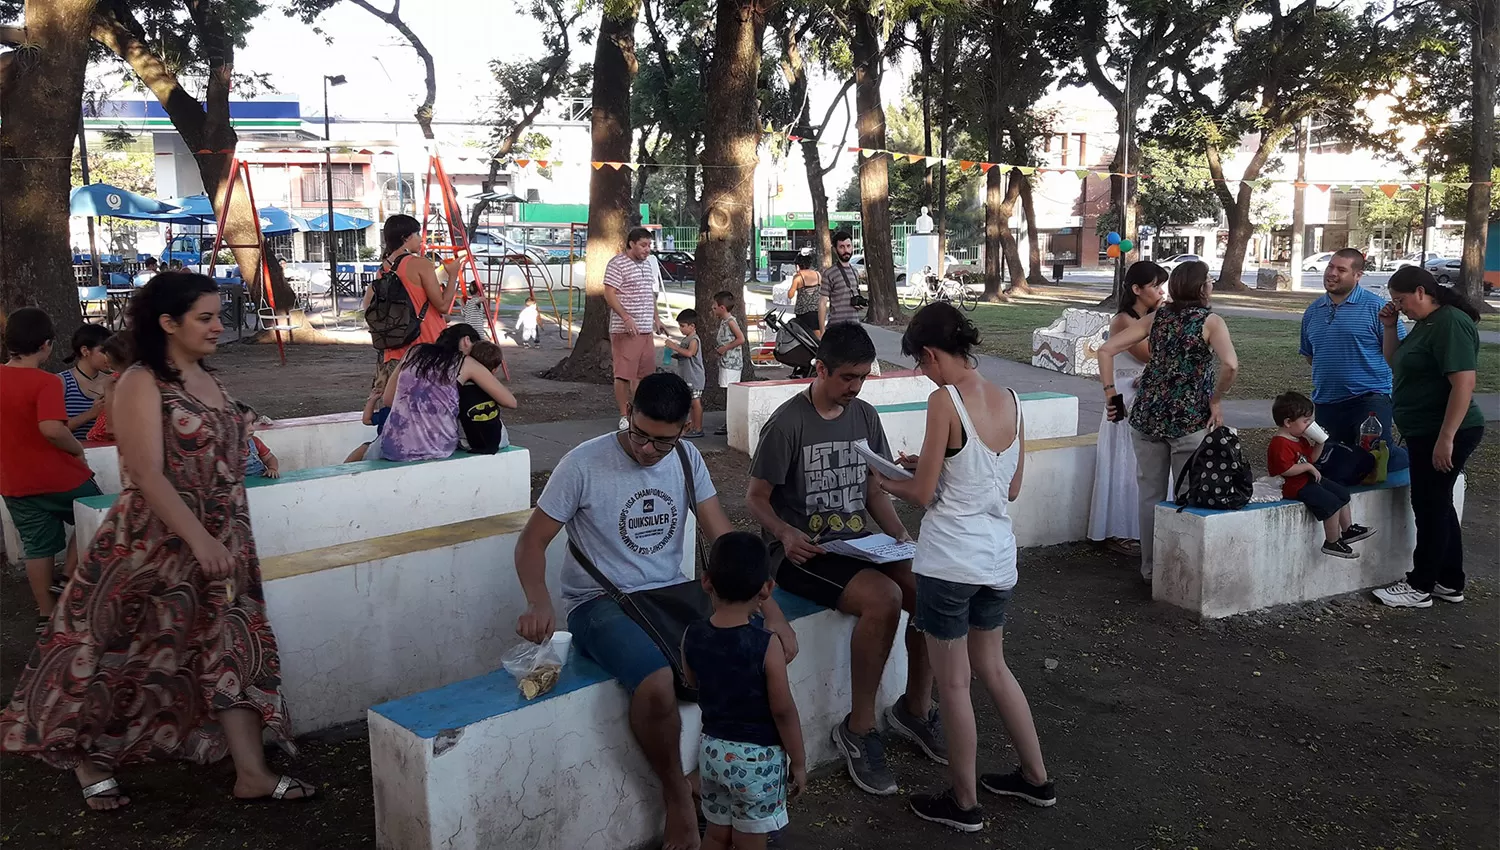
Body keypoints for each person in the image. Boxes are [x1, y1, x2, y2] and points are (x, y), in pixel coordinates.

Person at [0, 272, 315, 810]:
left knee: (234, 648)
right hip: (152, 546)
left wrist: (227, 528)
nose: (219, 326)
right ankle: (90, 761)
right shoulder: (140, 381)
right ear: (168, 322)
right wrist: (201, 541)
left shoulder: (207, 377)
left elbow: (226, 444)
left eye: (218, 315)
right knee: (121, 656)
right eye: (205, 318)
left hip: (223, 539)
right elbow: (145, 473)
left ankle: (251, 772)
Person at [514, 373, 798, 850]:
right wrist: (538, 600)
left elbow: (723, 539)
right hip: (599, 602)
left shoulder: (686, 459)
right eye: (640, 434)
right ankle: (678, 799)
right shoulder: (582, 463)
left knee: (754, 653)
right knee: (655, 682)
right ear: (628, 413)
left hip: (671, 598)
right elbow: (532, 542)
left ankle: (722, 779)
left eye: (662, 441)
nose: (647, 450)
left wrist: (773, 615)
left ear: (686, 427)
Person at [870, 303, 1054, 831]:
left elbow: (924, 493)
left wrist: (886, 481)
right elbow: (1009, 485)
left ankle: (965, 801)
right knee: (994, 669)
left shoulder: (943, 400)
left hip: (949, 561)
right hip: (997, 558)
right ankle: (1036, 777)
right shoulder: (1012, 400)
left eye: (922, 364)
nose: (925, 373)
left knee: (952, 685)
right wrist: (924, 470)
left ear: (929, 354)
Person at [747, 322, 940, 797]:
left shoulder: (866, 417)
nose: (855, 387)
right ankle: (859, 729)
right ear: (820, 369)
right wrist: (785, 533)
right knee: (885, 598)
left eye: (863, 377)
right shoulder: (788, 423)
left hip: (856, 543)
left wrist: (901, 538)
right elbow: (755, 497)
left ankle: (914, 709)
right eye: (847, 377)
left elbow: (874, 488)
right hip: (800, 552)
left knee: (928, 584)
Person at [1096, 260, 1240, 583]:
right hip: (1189, 419)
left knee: (1150, 496)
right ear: (1203, 288)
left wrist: (1110, 395)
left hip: (1146, 416)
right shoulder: (1211, 322)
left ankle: (1150, 570)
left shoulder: (1156, 317)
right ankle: (1180, 573)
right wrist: (1215, 399)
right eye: (1210, 282)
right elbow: (1230, 364)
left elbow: (1105, 350)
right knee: (1187, 494)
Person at [683, 532, 807, 850]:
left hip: (711, 753)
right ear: (767, 588)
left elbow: (693, 682)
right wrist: (799, 761)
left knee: (715, 833)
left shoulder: (692, 635)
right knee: (749, 840)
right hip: (758, 760)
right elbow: (782, 710)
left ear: (707, 582)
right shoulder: (767, 646)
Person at [1371, 267, 1486, 609]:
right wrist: (1390, 328)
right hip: (1423, 430)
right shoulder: (1426, 324)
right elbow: (1396, 362)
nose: (1399, 306)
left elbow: (1464, 384)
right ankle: (1449, 582)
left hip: (1446, 430)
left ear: (1421, 291)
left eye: (1401, 300)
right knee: (1437, 503)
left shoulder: (1450, 322)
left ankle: (1419, 585)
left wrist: (1446, 437)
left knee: (1429, 505)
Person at [0, 308, 102, 629]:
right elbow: (53, 429)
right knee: (97, 514)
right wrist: (78, 451)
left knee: (37, 545)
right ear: (46, 345)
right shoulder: (47, 382)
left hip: (14, 479)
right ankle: (69, 574)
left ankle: (47, 615)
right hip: (59, 475)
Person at [1299, 248, 1408, 468]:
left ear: (1358, 275)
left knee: (1375, 459)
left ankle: (1420, 457)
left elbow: (1399, 354)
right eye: (1330, 267)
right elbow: (1311, 356)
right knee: (1332, 463)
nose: (1332, 273)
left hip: (1369, 399)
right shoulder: (1313, 311)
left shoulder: (1376, 308)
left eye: (1341, 269)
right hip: (1326, 402)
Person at [1088, 261, 1166, 556]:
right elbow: (1150, 355)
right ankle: (1118, 529)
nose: (1160, 292)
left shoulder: (1148, 317)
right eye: (1155, 286)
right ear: (1137, 289)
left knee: (1142, 464)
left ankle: (1138, 526)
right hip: (1124, 396)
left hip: (1143, 395)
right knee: (1123, 460)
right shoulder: (1124, 321)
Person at [367, 327, 517, 463]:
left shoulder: (414, 351)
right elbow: (510, 402)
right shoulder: (466, 362)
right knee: (497, 433)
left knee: (373, 446)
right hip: (438, 448)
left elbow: (388, 400)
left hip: (394, 447)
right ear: (466, 341)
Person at [366, 214, 463, 401]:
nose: (421, 239)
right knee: (430, 407)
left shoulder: (383, 269)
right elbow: (443, 306)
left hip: (394, 347)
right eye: (417, 234)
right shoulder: (420, 264)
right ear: (405, 238)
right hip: (427, 343)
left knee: (400, 407)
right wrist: (453, 276)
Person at [1268, 391, 1374, 560]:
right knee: (1330, 503)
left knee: (1341, 493)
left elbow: (1312, 458)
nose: (1309, 424)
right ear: (1288, 422)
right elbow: (1285, 469)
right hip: (1293, 485)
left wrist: (1320, 443)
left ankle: (1348, 529)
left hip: (1308, 480)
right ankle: (1332, 541)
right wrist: (1307, 467)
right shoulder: (1280, 443)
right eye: (1305, 421)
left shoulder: (1299, 438)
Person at [606, 227, 669, 431]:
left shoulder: (648, 265)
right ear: (631, 244)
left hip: (645, 330)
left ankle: (640, 412)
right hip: (626, 330)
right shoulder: (617, 263)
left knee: (644, 375)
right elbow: (610, 293)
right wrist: (626, 318)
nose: (647, 249)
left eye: (649, 245)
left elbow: (649, 295)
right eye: (643, 245)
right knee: (624, 374)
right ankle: (624, 415)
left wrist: (656, 319)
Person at [60, 323, 114, 440]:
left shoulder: (111, 382)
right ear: (85, 351)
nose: (109, 356)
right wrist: (91, 413)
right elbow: (53, 429)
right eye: (103, 351)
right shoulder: (62, 382)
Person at [457, 340, 512, 454]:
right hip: (498, 441)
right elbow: (511, 403)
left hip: (464, 440)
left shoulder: (459, 385)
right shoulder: (492, 388)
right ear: (495, 370)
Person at [86, 332, 135, 443]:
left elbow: (110, 428)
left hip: (110, 444)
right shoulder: (148, 378)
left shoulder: (117, 381)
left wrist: (108, 391)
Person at [664, 308, 706, 438]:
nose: (680, 329)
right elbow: (685, 354)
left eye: (682, 326)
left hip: (694, 377)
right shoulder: (686, 339)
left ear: (692, 326)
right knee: (691, 402)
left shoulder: (694, 339)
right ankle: (692, 425)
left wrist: (674, 346)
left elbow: (690, 353)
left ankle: (698, 428)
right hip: (687, 376)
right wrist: (676, 355)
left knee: (695, 402)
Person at [821, 230, 863, 331]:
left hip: (854, 327)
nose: (846, 250)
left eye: (848, 246)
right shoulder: (829, 273)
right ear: (835, 250)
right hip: (836, 328)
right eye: (841, 247)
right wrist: (822, 330)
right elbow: (822, 303)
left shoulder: (855, 272)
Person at [239, 404, 280, 480]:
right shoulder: (224, 449)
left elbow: (269, 458)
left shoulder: (254, 442)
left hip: (261, 480)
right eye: (245, 425)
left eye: (252, 423)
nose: (252, 428)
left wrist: (272, 469)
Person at [786, 251, 823, 335]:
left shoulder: (798, 277)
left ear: (798, 265)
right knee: (817, 338)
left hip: (802, 313)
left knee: (803, 338)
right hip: (816, 311)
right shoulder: (818, 274)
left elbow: (790, 295)